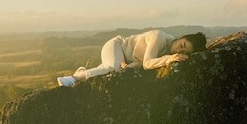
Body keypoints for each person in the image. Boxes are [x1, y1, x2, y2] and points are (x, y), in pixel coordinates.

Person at [57, 29, 207, 87]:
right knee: (112, 68)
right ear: (181, 37)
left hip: (125, 58)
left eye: (184, 51)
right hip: (116, 46)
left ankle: (81, 72)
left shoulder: (168, 49)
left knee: (111, 70)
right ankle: (72, 79)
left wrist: (131, 66)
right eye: (182, 44)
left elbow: (141, 63)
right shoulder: (159, 37)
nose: (178, 50)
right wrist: (169, 59)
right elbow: (148, 64)